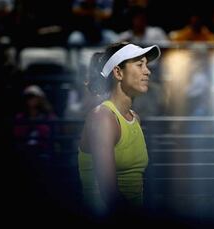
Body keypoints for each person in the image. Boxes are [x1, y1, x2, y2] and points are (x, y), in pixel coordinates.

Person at [78, 42, 160, 222]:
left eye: (146, 65)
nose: (147, 71)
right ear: (118, 72)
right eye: (140, 65)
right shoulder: (103, 118)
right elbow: (109, 196)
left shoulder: (134, 118)